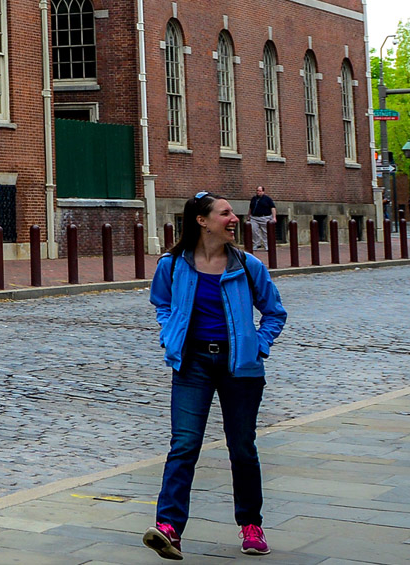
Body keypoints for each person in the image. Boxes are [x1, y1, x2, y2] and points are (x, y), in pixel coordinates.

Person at [143, 193, 287, 559]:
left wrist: (259, 345)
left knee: (241, 448)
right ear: (202, 221)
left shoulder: (248, 266)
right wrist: (169, 332)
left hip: (240, 369)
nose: (234, 218)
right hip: (191, 365)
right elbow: (162, 303)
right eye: (225, 213)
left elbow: (275, 313)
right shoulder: (173, 265)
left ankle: (251, 526)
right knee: (184, 445)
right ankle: (169, 528)